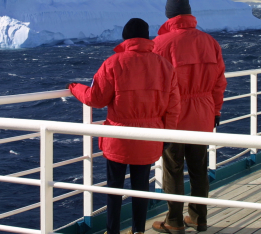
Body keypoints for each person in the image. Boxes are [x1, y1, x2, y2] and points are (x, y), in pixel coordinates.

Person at [68, 18, 181, 234]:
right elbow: (173, 106)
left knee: (114, 189)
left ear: (126, 38)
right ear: (147, 37)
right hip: (150, 136)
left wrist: (74, 87)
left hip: (119, 138)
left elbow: (96, 98)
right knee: (141, 188)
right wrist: (167, 135)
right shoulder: (164, 66)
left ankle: (113, 231)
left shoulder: (113, 63)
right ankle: (138, 230)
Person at [151, 0, 227, 233]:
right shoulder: (210, 42)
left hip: (173, 115)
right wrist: (215, 111)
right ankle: (198, 218)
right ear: (189, 13)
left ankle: (173, 221)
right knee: (199, 168)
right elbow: (219, 82)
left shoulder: (160, 44)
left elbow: (155, 83)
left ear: (169, 15)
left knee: (173, 168)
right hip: (203, 113)